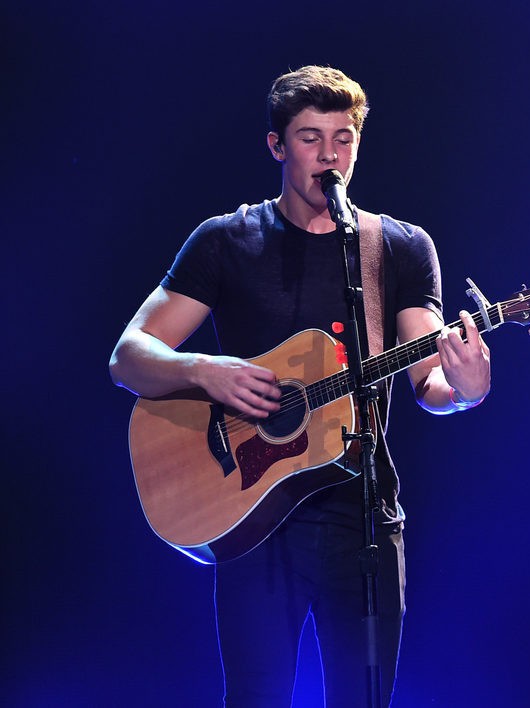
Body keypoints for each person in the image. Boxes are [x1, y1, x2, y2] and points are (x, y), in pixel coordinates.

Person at [109, 65, 491, 707]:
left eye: (344, 138)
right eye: (311, 138)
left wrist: (467, 388)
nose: (330, 156)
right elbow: (130, 355)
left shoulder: (396, 246)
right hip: (252, 511)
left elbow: (429, 377)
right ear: (277, 146)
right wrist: (206, 370)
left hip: (361, 514)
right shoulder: (227, 240)